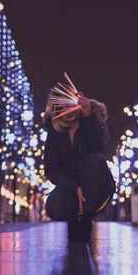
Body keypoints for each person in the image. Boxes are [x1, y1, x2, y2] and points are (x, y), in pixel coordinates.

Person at [43, 91, 115, 243]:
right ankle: (73, 220)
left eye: (68, 105)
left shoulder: (92, 120)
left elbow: (97, 148)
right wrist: (75, 186)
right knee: (54, 206)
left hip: (98, 187)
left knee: (94, 160)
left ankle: (86, 219)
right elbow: (51, 170)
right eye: (60, 108)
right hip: (71, 189)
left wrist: (88, 117)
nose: (65, 110)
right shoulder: (54, 132)